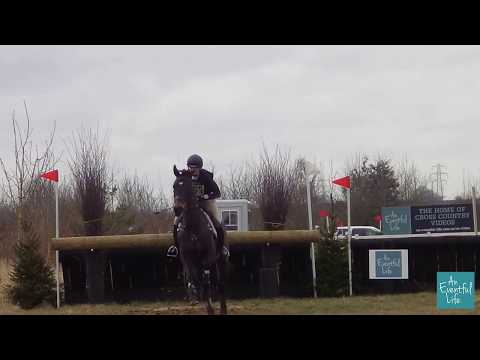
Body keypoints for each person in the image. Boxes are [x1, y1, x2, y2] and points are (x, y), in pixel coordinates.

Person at [167, 154, 229, 259]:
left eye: (195, 168)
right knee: (176, 221)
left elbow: (217, 193)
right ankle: (176, 247)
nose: (192, 170)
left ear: (200, 168)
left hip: (206, 202)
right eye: (190, 167)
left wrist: (205, 196)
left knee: (216, 221)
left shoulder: (206, 177)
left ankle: (221, 248)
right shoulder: (186, 176)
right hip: (190, 205)